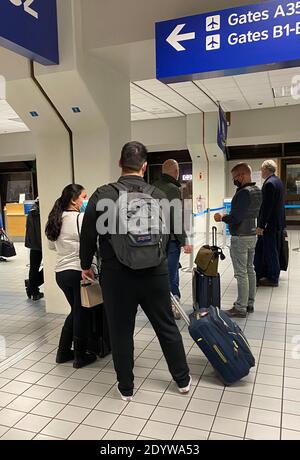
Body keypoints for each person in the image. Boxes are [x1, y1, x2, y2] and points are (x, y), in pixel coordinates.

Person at [80, 141, 191, 402]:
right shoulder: (158, 194)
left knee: (121, 331)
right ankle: (183, 380)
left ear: (120, 163)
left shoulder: (103, 194)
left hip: (116, 274)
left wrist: (86, 265)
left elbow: (88, 234)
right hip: (155, 272)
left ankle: (126, 388)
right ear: (144, 166)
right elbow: (169, 231)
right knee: (166, 327)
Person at [45, 184, 96, 369]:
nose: (86, 200)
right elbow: (92, 243)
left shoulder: (56, 218)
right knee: (80, 313)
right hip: (77, 272)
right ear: (74, 200)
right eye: (84, 196)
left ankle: (63, 352)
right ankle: (79, 357)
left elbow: (52, 247)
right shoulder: (81, 218)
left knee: (76, 311)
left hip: (60, 273)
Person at [214, 163, 262, 318]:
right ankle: (249, 303)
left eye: (235, 177)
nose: (234, 180)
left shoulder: (243, 193)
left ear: (242, 175)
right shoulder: (257, 191)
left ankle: (240, 307)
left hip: (240, 237)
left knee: (241, 273)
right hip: (252, 235)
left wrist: (222, 217)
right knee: (250, 269)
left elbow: (236, 217)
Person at [154, 160, 192, 319]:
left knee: (170, 270)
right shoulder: (172, 189)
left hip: (156, 238)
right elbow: (175, 218)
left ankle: (169, 302)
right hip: (170, 240)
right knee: (170, 273)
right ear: (176, 171)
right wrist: (184, 241)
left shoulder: (153, 186)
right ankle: (171, 306)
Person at [254, 160, 286, 287]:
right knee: (262, 249)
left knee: (271, 250)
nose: (261, 172)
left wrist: (261, 226)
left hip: (269, 225)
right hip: (276, 223)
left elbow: (267, 208)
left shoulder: (269, 184)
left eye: (262, 169)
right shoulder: (278, 181)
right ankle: (260, 272)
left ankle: (273, 277)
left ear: (266, 169)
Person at [25, 198, 44, 301]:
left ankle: (32, 288)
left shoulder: (32, 210)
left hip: (34, 245)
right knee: (47, 268)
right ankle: (33, 288)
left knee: (33, 268)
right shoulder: (38, 212)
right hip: (40, 245)